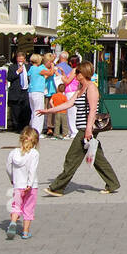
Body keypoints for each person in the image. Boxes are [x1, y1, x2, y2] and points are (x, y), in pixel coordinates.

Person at [41, 61, 120, 197]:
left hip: (86, 129)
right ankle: (112, 183)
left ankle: (57, 187)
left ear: (83, 73)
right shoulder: (80, 88)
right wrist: (48, 111)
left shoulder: (91, 88)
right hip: (84, 128)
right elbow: (68, 103)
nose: (75, 74)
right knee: (97, 157)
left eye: (77, 72)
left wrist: (89, 129)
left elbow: (93, 110)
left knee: (72, 158)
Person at [5, 126, 41, 239]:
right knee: (28, 208)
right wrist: (29, 184)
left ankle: (13, 222)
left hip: (17, 185)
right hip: (31, 187)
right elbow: (32, 170)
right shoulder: (34, 153)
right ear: (35, 141)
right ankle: (25, 232)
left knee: (16, 206)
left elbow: (8, 167)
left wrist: (12, 178)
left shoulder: (13, 153)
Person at [25, 54, 53, 136]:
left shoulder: (31, 69)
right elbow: (50, 73)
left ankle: (33, 130)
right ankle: (37, 132)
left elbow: (40, 77)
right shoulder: (38, 69)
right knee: (39, 112)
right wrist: (52, 66)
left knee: (34, 112)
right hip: (38, 92)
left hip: (31, 91)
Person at [6, 51, 30, 132]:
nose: (20, 60)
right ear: (16, 59)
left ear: (24, 59)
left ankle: (24, 127)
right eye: (19, 59)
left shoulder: (28, 67)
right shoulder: (12, 67)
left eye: (22, 59)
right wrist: (17, 72)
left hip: (25, 91)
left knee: (26, 110)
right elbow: (9, 78)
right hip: (16, 92)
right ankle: (17, 127)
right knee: (16, 110)